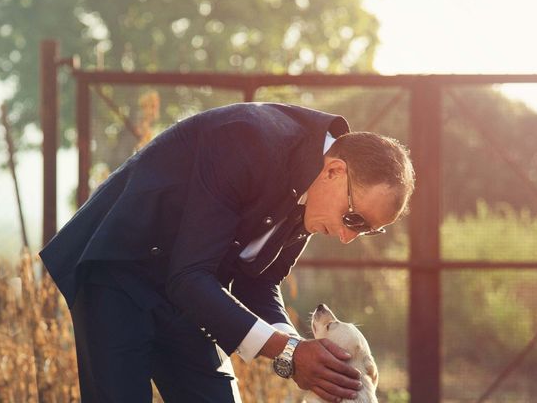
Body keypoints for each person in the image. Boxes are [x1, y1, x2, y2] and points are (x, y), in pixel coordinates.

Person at [39, 102, 415, 403]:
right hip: (119, 274)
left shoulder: (315, 193)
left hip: (189, 296)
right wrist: (287, 353)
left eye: (366, 229)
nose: (349, 236)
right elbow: (188, 277)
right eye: (354, 218)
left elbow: (260, 280)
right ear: (334, 171)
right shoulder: (250, 138)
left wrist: (297, 347)